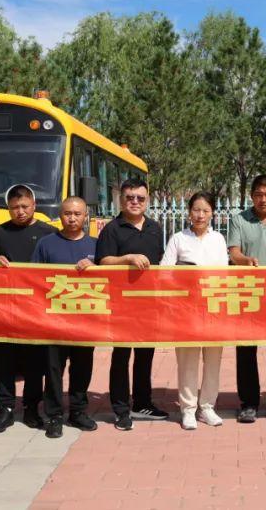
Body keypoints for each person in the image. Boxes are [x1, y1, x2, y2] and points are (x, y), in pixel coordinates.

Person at [96, 177, 168, 430]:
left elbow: (161, 262)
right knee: (121, 357)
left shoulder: (155, 228)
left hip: (148, 303)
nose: (135, 202)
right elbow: (102, 262)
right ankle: (120, 409)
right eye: (130, 198)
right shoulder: (111, 229)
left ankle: (142, 403)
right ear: (121, 200)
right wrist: (126, 258)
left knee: (145, 356)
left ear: (147, 200)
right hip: (121, 305)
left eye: (140, 198)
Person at [0, 184, 57, 433]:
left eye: (25, 206)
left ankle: (31, 408)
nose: (20, 211)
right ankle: (4, 408)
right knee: (4, 360)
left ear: (34, 205)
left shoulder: (49, 233)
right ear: (8, 208)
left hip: (36, 309)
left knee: (35, 362)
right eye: (14, 207)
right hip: (5, 308)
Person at [31, 196, 99, 439]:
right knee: (53, 370)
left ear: (85, 216)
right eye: (67, 213)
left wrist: (95, 268)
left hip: (85, 318)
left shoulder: (96, 245)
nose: (72, 218)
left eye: (77, 214)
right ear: (60, 216)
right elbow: (33, 278)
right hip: (54, 320)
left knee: (82, 367)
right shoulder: (46, 244)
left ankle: (78, 411)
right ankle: (54, 416)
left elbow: (108, 279)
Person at [162, 192, 229, 430]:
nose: (200, 215)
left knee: (213, 360)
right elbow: (164, 272)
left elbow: (224, 273)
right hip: (186, 310)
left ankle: (207, 406)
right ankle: (188, 409)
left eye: (205, 211)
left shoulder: (218, 239)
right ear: (189, 212)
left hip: (212, 308)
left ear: (212, 214)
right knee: (187, 360)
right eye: (196, 210)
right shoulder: (178, 239)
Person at [227, 174, 266, 423]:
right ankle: (249, 403)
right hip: (247, 292)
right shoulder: (239, 219)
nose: (263, 199)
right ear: (251, 196)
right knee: (246, 350)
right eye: (258, 195)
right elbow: (234, 252)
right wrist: (245, 260)